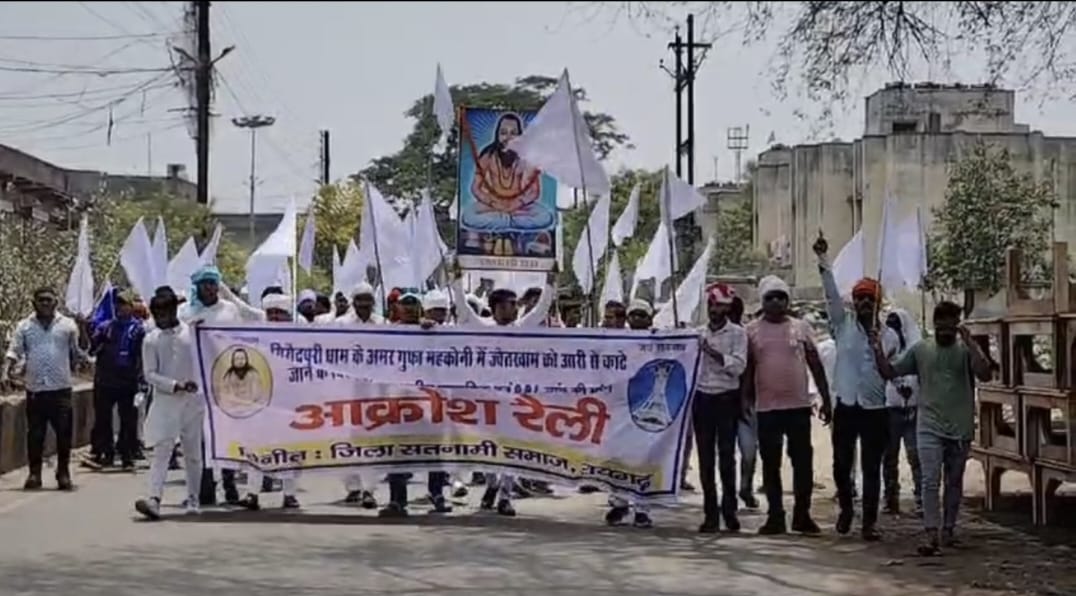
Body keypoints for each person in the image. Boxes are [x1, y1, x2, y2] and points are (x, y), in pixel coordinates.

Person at [871, 301, 991, 555]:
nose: (945, 332)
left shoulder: (965, 351)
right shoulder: (921, 350)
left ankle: (948, 529)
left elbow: (985, 374)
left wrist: (972, 344)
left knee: (954, 481)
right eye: (941, 327)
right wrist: (877, 350)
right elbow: (890, 372)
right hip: (928, 425)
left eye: (951, 327)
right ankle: (931, 533)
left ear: (957, 326)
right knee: (929, 480)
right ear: (935, 325)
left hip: (960, 426)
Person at [449, 264, 555, 516]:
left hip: (514, 400)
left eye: (515, 304)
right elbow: (462, 307)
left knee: (511, 449)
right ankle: (492, 484)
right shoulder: (481, 326)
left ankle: (505, 496)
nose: (515, 309)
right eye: (509, 304)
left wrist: (551, 282)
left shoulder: (522, 328)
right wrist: (456, 279)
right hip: (485, 401)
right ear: (496, 307)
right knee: (485, 447)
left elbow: (542, 309)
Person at [814, 233, 899, 541]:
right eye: (860, 298)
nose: (864, 303)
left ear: (877, 304)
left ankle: (869, 523)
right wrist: (823, 260)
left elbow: (891, 372)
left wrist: (877, 346)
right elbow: (830, 295)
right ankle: (847, 508)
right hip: (847, 405)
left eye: (869, 299)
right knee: (841, 464)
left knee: (871, 467)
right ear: (854, 302)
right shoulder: (842, 324)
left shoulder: (889, 336)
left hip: (875, 409)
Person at [743, 275, 831, 535]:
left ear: (788, 301)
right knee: (771, 464)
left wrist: (826, 398)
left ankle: (802, 515)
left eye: (781, 297)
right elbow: (748, 369)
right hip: (767, 409)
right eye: (770, 297)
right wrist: (745, 400)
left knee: (803, 462)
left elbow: (815, 364)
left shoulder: (801, 327)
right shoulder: (751, 330)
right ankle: (775, 516)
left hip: (798, 407)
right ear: (762, 301)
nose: (776, 302)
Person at [1, 287, 85, 491]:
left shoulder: (68, 325)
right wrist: (5, 371)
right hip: (36, 390)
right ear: (34, 303)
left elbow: (79, 351)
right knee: (35, 435)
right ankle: (34, 474)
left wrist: (83, 330)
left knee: (64, 435)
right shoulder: (24, 326)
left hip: (61, 389)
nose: (45, 303)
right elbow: (14, 350)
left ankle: (63, 473)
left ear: (56, 302)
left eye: (49, 300)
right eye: (41, 300)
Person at [381, 292, 453, 518]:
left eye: (414, 306)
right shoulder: (389, 333)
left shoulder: (430, 330)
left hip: (429, 399)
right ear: (398, 309)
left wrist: (433, 330)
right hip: (399, 399)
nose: (410, 310)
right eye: (406, 306)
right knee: (398, 451)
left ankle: (437, 493)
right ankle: (397, 500)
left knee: (433, 449)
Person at [180, 265, 246, 506]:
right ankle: (204, 488)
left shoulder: (230, 310)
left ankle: (230, 486)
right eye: (205, 284)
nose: (209, 288)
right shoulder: (186, 312)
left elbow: (240, 340)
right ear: (197, 287)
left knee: (227, 436)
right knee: (200, 439)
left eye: (212, 283)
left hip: (225, 382)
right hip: (196, 384)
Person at [135, 290, 204, 519]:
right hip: (166, 401)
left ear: (174, 310)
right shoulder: (151, 339)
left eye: (164, 314)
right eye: (156, 315)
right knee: (162, 450)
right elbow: (150, 374)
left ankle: (193, 498)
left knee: (193, 453)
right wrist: (175, 385)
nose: (160, 319)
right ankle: (154, 498)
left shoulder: (192, 334)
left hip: (193, 403)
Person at [693, 283, 748, 533]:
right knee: (705, 459)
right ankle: (710, 514)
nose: (715, 311)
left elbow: (738, 366)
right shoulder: (697, 333)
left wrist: (712, 353)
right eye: (712, 306)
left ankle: (729, 510)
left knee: (727, 457)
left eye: (720, 307)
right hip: (702, 399)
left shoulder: (737, 334)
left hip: (726, 399)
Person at [89, 289, 146, 471]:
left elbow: (142, 355)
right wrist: (93, 333)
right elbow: (92, 348)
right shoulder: (106, 327)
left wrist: (142, 378)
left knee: (128, 420)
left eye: (125, 304)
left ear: (131, 306)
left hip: (128, 380)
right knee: (103, 419)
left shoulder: (138, 330)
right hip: (106, 379)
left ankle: (127, 455)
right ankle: (107, 453)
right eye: (119, 304)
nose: (121, 308)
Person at [337, 282, 381, 508]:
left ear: (373, 302)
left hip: (374, 392)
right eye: (360, 299)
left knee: (371, 442)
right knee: (346, 441)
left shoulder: (382, 324)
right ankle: (352, 486)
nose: (364, 304)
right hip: (346, 390)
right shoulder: (341, 324)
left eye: (367, 299)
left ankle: (369, 490)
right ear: (353, 302)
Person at [882, 309, 923, 515]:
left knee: (916, 455)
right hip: (891, 407)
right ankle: (891, 498)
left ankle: (921, 498)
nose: (893, 328)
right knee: (889, 456)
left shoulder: (917, 347)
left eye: (896, 324)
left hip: (914, 407)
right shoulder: (886, 345)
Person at [729, 295, 760, 509]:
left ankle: (745, 487)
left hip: (747, 402)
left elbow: (750, 369)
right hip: (722, 402)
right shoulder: (711, 336)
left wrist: (746, 398)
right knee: (726, 453)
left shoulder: (747, 337)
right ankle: (729, 493)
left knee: (749, 452)